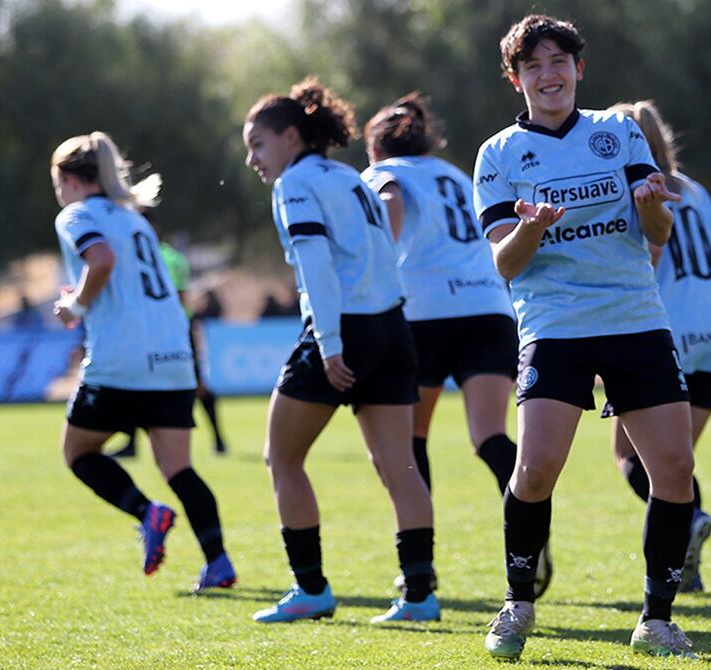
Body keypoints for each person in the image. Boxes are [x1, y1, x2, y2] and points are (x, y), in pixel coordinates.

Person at [474, 15, 697, 660]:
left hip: (635, 320)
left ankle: (657, 618)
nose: (549, 75)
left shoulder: (617, 131)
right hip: (556, 328)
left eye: (559, 62)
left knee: (675, 470)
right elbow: (506, 263)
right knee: (536, 469)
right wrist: (534, 227)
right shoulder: (498, 154)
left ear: (579, 69)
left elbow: (656, 234)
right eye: (534, 66)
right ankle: (517, 604)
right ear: (516, 78)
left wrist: (653, 199)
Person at [242, 78, 439, 624]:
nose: (252, 159)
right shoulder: (348, 176)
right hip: (393, 327)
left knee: (281, 458)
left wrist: (328, 345)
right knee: (400, 467)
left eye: (257, 145)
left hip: (345, 330)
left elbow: (317, 269)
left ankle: (310, 589)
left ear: (289, 137)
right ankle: (420, 596)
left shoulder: (296, 183)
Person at [361, 93, 552, 598]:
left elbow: (389, 200)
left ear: (375, 147)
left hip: (423, 312)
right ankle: (532, 536)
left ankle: (419, 564)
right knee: (489, 436)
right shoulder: (451, 173)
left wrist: (378, 264)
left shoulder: (384, 170)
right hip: (489, 306)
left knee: (408, 443)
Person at [49, 131, 235, 592]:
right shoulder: (135, 219)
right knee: (179, 467)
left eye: (56, 181)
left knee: (78, 452)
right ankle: (219, 562)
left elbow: (102, 259)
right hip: (172, 355)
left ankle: (147, 513)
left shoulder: (77, 213)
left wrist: (75, 308)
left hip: (122, 356)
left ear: (70, 179)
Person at [604, 100, 711, 596]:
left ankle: (691, 521)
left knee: (633, 456)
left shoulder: (636, 190)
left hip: (671, 333)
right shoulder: (697, 192)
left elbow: (649, 256)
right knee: (675, 459)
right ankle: (688, 566)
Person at [111, 208, 229, 458]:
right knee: (135, 381)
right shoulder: (129, 257)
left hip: (173, 331)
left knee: (196, 385)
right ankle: (131, 444)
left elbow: (180, 298)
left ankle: (218, 439)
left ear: (151, 228)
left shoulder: (169, 258)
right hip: (144, 332)